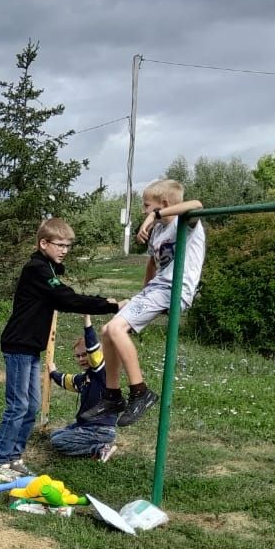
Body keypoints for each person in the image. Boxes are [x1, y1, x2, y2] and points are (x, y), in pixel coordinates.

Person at [0, 218, 121, 483]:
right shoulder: (37, 269)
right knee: (18, 404)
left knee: (31, 405)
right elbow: (66, 298)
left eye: (68, 245)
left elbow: (61, 290)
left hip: (32, 347)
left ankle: (14, 457)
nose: (64, 249)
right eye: (59, 244)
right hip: (18, 345)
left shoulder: (47, 268)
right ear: (43, 243)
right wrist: (109, 304)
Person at [82, 180, 205, 427]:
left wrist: (154, 216)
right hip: (155, 289)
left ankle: (140, 392)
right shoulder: (158, 232)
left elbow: (197, 203)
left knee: (116, 329)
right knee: (108, 330)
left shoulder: (185, 223)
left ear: (165, 205)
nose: (142, 211)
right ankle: (112, 395)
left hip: (174, 288)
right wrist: (142, 295)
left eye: (146, 206)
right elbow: (152, 263)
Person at [47, 315, 119, 463]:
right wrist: (53, 372)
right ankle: (97, 444)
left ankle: (99, 449)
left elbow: (93, 349)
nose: (81, 359)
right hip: (87, 425)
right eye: (78, 356)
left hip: (100, 428)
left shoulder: (102, 372)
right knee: (55, 435)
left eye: (84, 354)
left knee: (58, 442)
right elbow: (67, 381)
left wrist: (87, 321)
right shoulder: (85, 378)